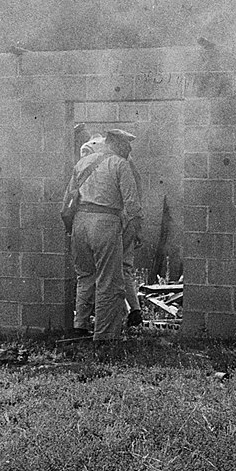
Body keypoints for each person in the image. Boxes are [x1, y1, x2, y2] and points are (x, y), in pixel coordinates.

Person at [64, 128, 143, 341]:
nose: (129, 149)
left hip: (80, 222)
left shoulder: (82, 163)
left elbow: (67, 202)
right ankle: (105, 334)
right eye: (127, 145)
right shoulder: (119, 164)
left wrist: (71, 228)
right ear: (116, 144)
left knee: (85, 276)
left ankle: (80, 324)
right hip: (105, 222)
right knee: (109, 280)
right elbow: (132, 204)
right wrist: (137, 229)